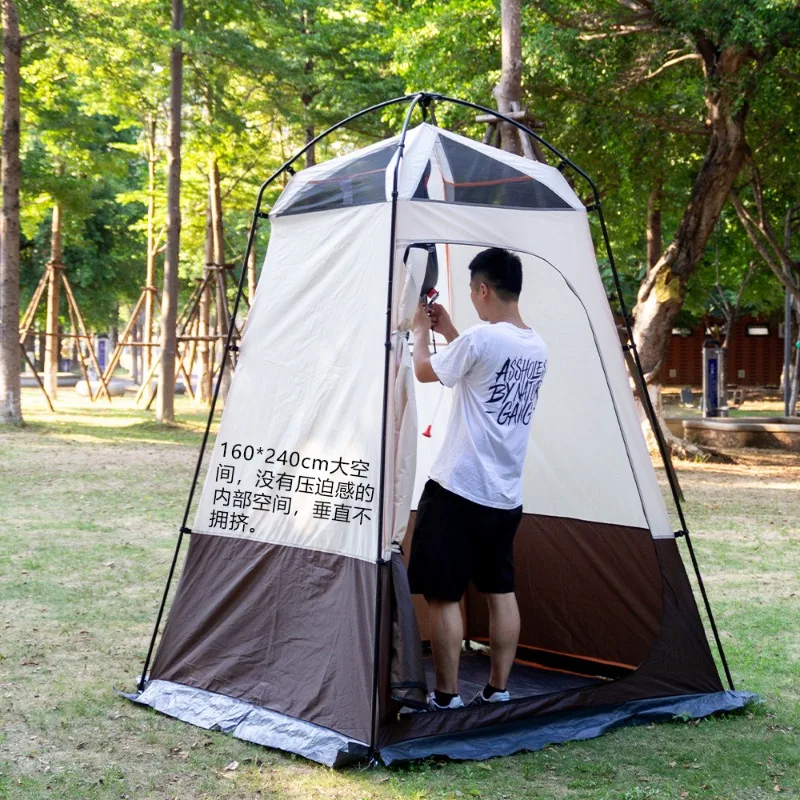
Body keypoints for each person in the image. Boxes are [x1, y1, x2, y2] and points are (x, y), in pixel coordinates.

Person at [408, 247, 548, 711]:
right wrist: (449, 330)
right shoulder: (536, 346)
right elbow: (482, 371)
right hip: (504, 496)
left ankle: (447, 696)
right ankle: (498, 690)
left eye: (472, 291)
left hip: (457, 489)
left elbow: (425, 372)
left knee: (443, 596)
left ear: (483, 289)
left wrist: (420, 331)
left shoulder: (481, 339)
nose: (471, 298)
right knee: (500, 591)